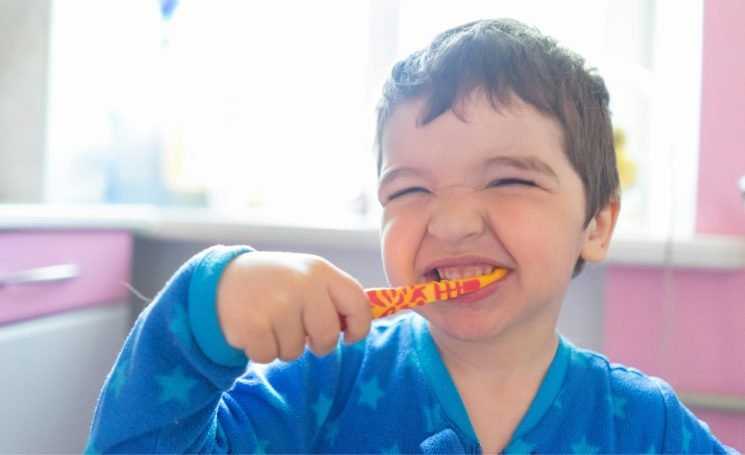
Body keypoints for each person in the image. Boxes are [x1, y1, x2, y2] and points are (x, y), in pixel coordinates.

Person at [86, 19, 735, 454]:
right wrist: (202, 317)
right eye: (409, 190)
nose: (450, 222)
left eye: (509, 180)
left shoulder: (645, 426)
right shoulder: (321, 386)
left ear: (596, 223)